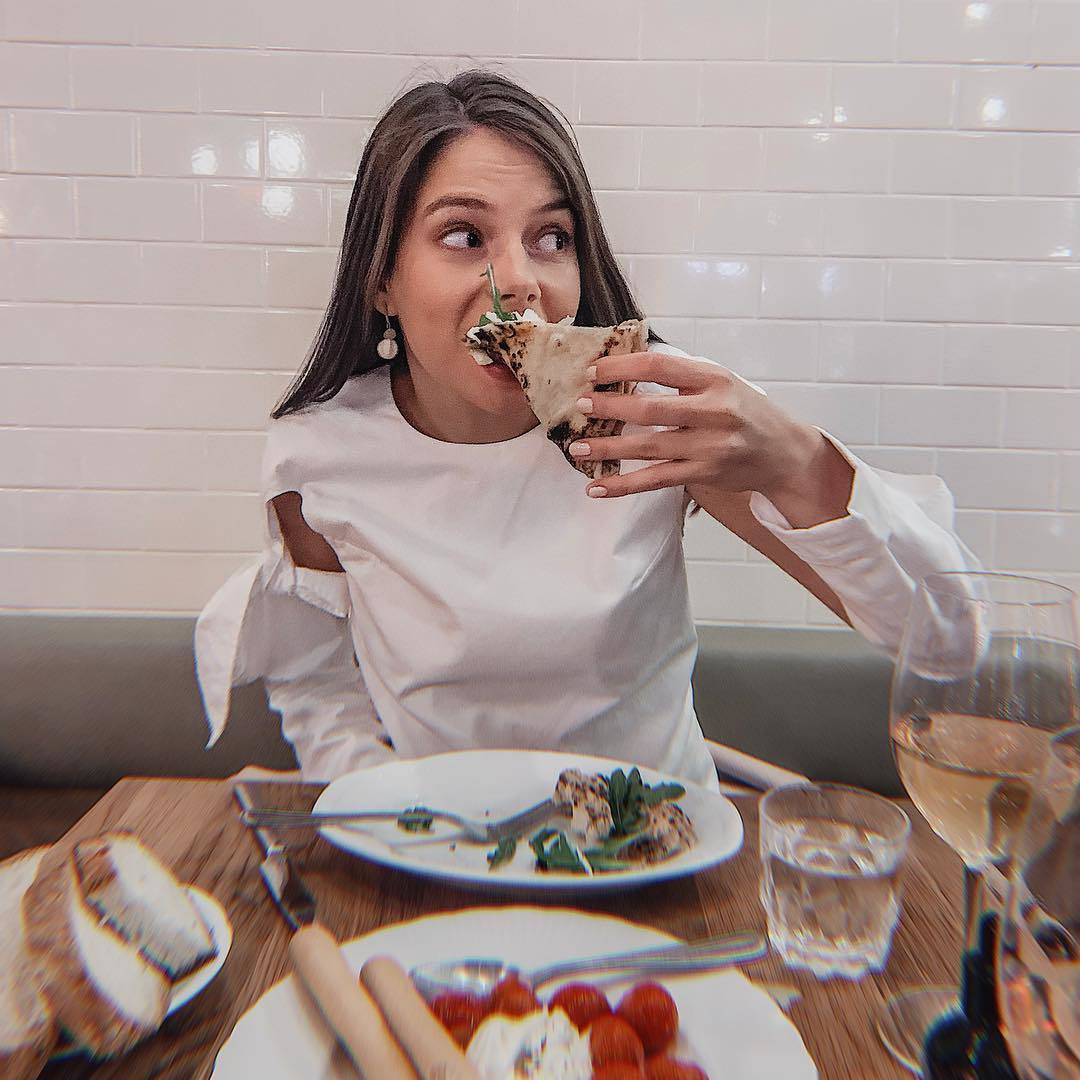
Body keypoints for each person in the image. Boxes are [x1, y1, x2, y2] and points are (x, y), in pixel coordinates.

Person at [195, 70, 979, 788]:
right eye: (464, 236)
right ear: (381, 280)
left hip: (660, 854)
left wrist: (795, 461)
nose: (520, 281)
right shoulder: (322, 454)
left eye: (552, 238)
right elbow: (315, 677)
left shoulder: (654, 412)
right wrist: (379, 799)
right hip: (441, 855)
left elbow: (947, 644)